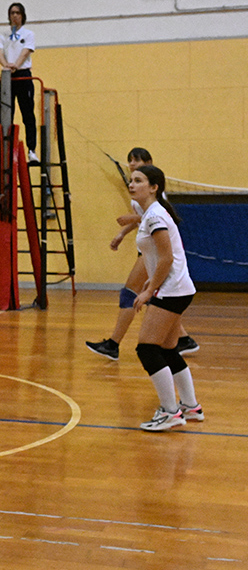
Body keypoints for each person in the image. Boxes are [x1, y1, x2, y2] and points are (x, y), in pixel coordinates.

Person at [86, 148, 198, 360]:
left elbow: (155, 218)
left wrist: (131, 219)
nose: (132, 164)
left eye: (137, 160)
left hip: (156, 252)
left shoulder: (153, 197)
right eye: (130, 161)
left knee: (132, 293)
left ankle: (113, 344)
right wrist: (122, 233)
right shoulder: (139, 196)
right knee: (161, 300)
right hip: (150, 252)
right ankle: (183, 339)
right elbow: (145, 217)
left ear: (149, 163)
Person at [126, 164, 203, 431]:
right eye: (131, 180)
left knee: (147, 349)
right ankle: (190, 406)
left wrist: (149, 290)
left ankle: (170, 412)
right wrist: (152, 280)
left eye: (138, 180)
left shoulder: (155, 216)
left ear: (154, 187)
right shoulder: (151, 214)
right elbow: (161, 257)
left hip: (171, 290)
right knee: (168, 349)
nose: (132, 184)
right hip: (176, 288)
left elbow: (167, 257)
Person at [0, 2, 38, 163]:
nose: (14, 16)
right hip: (7, 76)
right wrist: (6, 65)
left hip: (23, 75)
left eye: (17, 13)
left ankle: (31, 150)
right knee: (6, 115)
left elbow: (25, 52)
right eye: (12, 13)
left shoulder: (28, 34)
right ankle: (5, 151)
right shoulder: (3, 35)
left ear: (22, 16)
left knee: (28, 114)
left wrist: (16, 66)